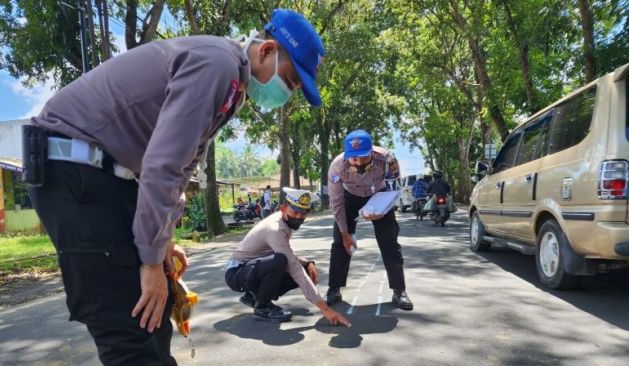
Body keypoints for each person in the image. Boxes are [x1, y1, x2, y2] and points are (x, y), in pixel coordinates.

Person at [25, 9, 325, 365]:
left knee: (156, 314)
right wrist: (150, 262)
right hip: (76, 173)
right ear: (267, 51)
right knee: (130, 327)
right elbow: (163, 165)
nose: (287, 93)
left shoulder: (234, 87)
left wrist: (162, 240)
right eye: (290, 81)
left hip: (108, 178)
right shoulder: (218, 65)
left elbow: (182, 166)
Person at [225, 187, 351, 326]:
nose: (299, 217)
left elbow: (291, 257)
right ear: (283, 208)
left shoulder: (284, 222)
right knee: (281, 261)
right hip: (237, 273)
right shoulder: (275, 228)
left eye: (304, 213)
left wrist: (309, 263)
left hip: (251, 269)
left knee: (300, 266)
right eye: (295, 211)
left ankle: (253, 296)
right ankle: (262, 307)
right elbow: (292, 265)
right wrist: (326, 310)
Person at [325, 130, 414, 311]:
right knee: (340, 243)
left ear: (372, 152)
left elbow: (392, 191)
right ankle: (334, 289)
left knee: (389, 241)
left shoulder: (388, 160)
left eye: (363, 158)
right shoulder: (337, 166)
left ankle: (399, 290)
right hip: (350, 197)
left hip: (380, 195)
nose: (358, 163)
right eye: (354, 159)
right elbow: (336, 202)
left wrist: (382, 211)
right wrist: (345, 233)